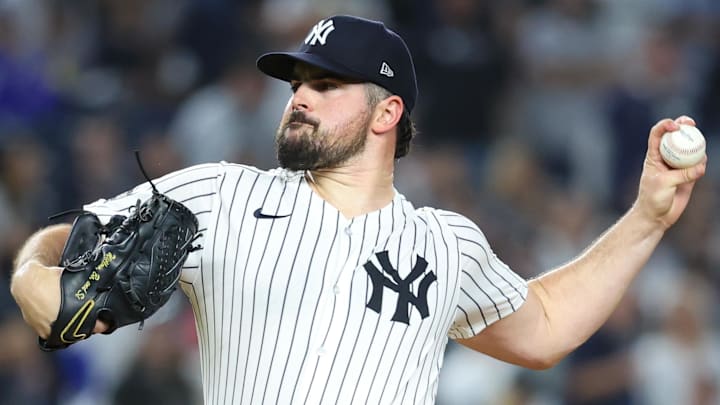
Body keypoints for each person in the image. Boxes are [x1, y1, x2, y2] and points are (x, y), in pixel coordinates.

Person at [9, 14, 707, 405]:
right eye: (297, 82)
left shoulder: (445, 241)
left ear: (388, 111)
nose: (299, 96)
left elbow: (545, 326)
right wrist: (30, 274)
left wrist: (646, 216)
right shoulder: (220, 194)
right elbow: (62, 243)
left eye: (325, 83)